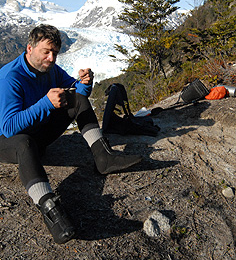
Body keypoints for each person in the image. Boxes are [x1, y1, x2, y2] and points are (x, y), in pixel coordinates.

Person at [0, 24, 142, 244]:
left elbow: (78, 95)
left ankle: (103, 157)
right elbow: (9, 128)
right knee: (23, 143)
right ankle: (51, 211)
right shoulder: (11, 78)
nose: (51, 58)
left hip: (36, 135)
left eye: (55, 53)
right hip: (8, 141)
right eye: (46, 52)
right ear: (29, 48)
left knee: (77, 100)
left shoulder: (51, 70)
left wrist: (85, 83)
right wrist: (46, 103)